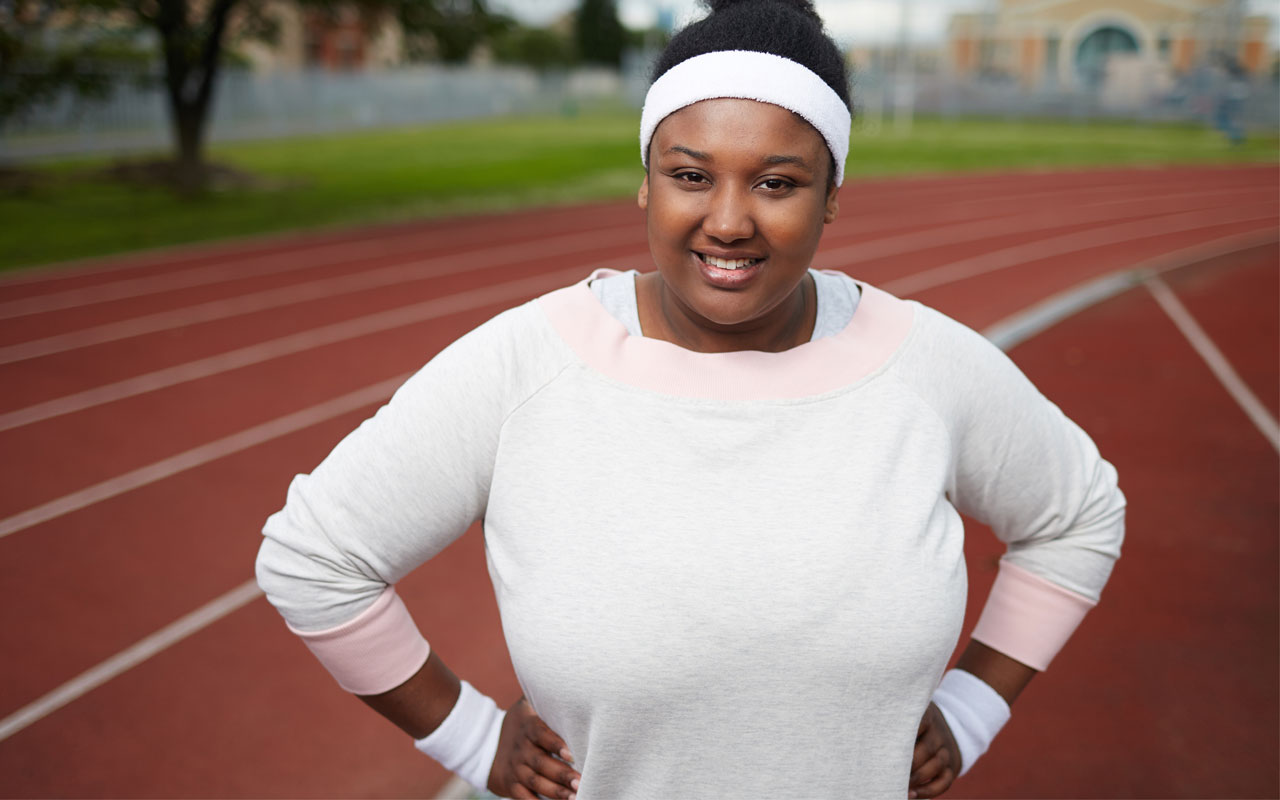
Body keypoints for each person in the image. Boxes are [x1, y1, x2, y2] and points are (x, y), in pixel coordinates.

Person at [255, 1, 1126, 797]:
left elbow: (1078, 517)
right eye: (691, 175)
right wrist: (472, 739)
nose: (729, 221)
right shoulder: (530, 366)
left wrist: (974, 707)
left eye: (778, 183)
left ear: (832, 200)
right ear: (645, 181)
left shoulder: (923, 365)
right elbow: (314, 558)